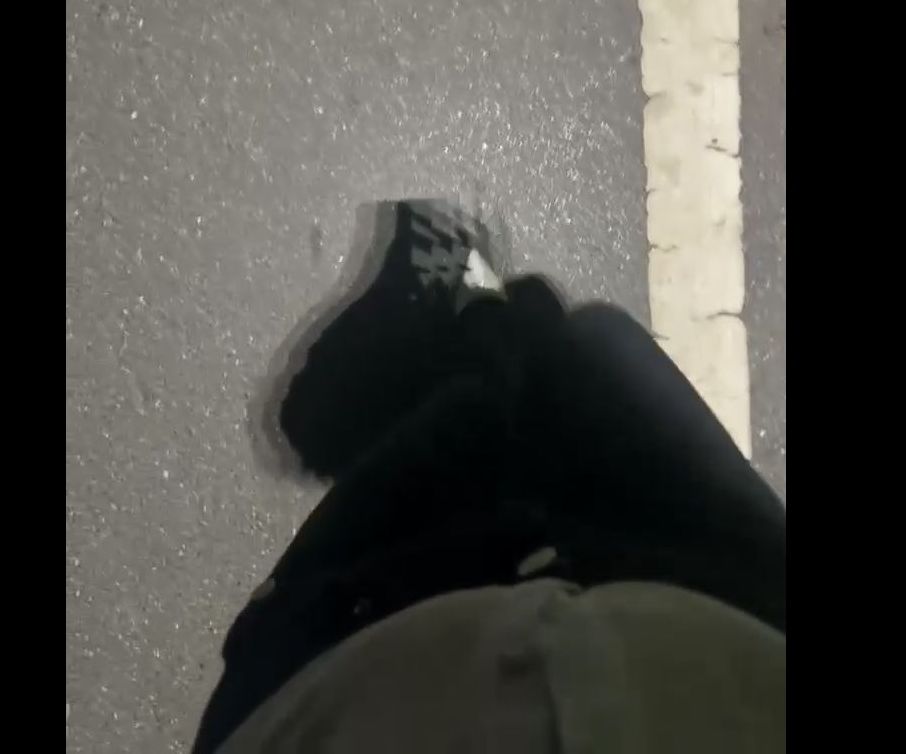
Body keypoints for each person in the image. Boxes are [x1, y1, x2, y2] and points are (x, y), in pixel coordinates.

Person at [193, 202, 786, 754]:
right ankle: (474, 310)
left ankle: (473, 303)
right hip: (705, 652)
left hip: (355, 670)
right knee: (577, 365)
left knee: (539, 385)